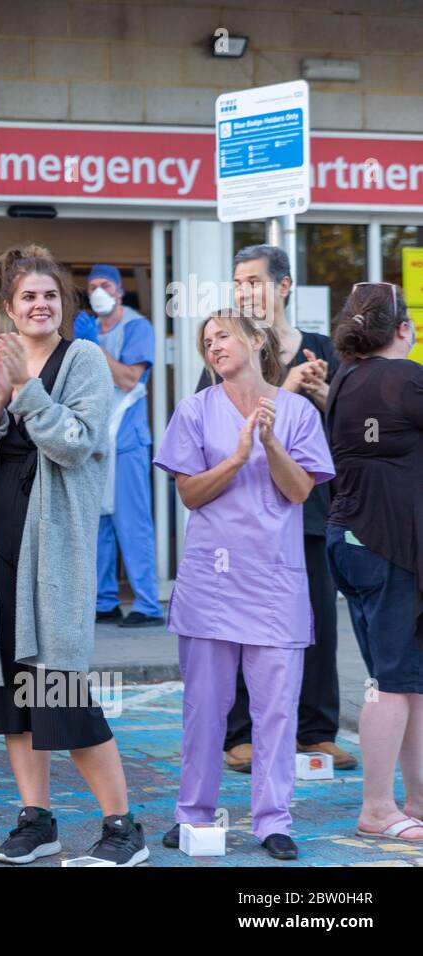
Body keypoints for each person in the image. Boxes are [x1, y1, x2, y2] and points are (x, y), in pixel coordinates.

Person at [0, 245, 146, 866]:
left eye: (50, 296)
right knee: (12, 696)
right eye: (27, 297)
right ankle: (36, 819)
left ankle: (122, 827)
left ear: (63, 307)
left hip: (53, 547)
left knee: (62, 692)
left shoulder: (83, 359)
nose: (40, 304)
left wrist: (28, 391)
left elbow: (76, 443)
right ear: (8, 309)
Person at [156, 308, 334, 861]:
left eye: (223, 336)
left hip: (274, 583)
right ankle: (193, 814)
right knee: (204, 708)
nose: (213, 346)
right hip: (212, 580)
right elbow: (189, 494)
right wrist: (236, 458)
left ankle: (273, 820)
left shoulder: (299, 412)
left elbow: (300, 492)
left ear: (256, 341)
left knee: (276, 711)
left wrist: (271, 442)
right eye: (205, 341)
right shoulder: (193, 410)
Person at [199, 245, 350, 775]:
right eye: (238, 282)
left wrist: (326, 395)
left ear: (284, 286)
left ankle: (317, 732)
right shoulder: (227, 351)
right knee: (243, 626)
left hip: (308, 512)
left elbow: (349, 435)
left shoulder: (322, 349)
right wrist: (285, 391)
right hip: (240, 517)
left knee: (315, 623)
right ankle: (240, 735)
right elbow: (213, 428)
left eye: (255, 281)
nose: (245, 291)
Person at [324, 282, 423, 843]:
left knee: (408, 680)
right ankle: (379, 808)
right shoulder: (405, 378)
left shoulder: (346, 381)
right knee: (392, 681)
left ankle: (415, 800)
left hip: (352, 539)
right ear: (404, 331)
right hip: (390, 547)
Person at [79, 264, 163, 629]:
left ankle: (147, 604)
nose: (98, 291)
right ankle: (105, 600)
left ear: (118, 291)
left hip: (126, 441)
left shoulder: (137, 327)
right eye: (92, 286)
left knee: (133, 523)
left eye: (104, 285)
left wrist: (94, 348)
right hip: (95, 440)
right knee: (100, 525)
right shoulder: (89, 329)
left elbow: (130, 378)